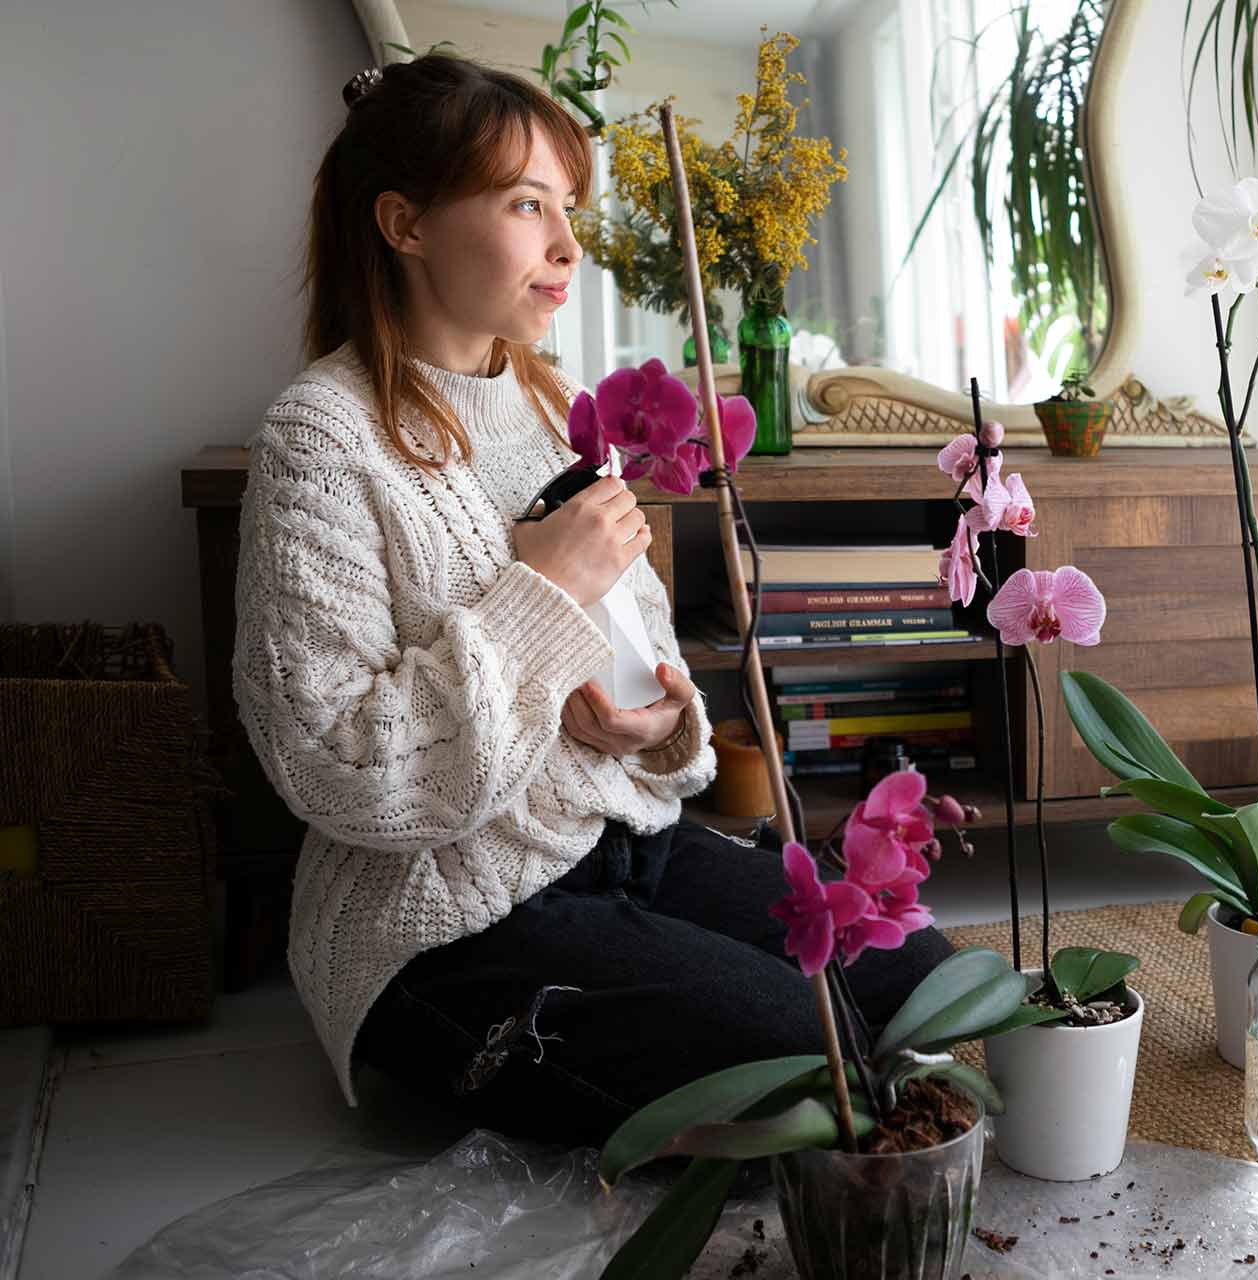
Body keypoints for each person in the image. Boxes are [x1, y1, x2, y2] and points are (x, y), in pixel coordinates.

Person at [232, 54, 952, 1150]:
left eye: (567, 206)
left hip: (624, 840)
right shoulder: (321, 439)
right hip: (446, 919)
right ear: (405, 222)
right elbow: (335, 765)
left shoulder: (551, 401)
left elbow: (643, 627)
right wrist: (543, 589)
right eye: (527, 204)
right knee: (815, 1074)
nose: (568, 245)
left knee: (920, 978)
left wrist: (655, 716)